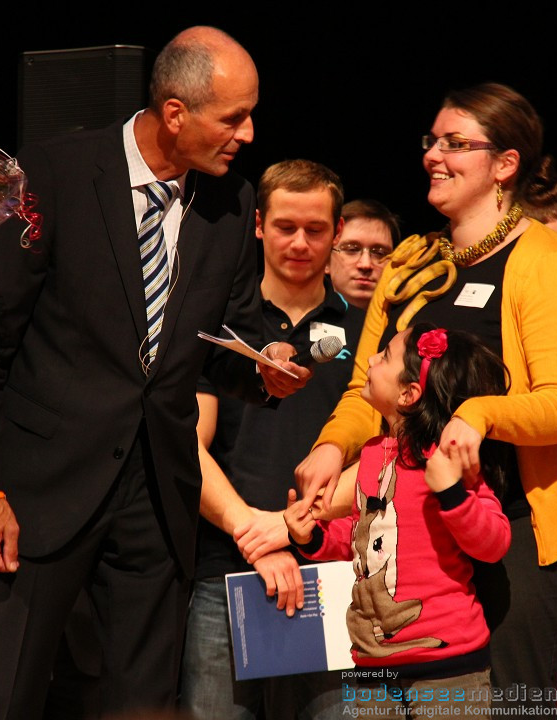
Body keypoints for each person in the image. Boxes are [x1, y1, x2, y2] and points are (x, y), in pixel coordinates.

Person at [0, 27, 307, 719]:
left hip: (157, 496)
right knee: (9, 695)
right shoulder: (54, 174)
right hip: (43, 491)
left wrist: (265, 370)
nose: (248, 133)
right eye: (232, 117)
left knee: (141, 702)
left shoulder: (232, 205)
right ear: (175, 113)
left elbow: (226, 341)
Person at [294, 82, 557, 711]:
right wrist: (332, 447)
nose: (435, 154)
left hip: (517, 528)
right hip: (414, 535)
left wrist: (478, 411)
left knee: (512, 705)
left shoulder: (550, 263)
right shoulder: (411, 262)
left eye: (456, 143)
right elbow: (364, 386)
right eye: (432, 140)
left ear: (505, 164)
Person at [180, 159, 361, 719]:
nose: (301, 243)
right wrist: (256, 534)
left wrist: (294, 529)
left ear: (336, 233)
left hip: (338, 570)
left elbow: (383, 452)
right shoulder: (219, 326)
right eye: (286, 227)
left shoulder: (363, 329)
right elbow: (188, 442)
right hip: (225, 568)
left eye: (317, 229)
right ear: (258, 224)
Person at [285, 325, 511, 715]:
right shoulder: (373, 453)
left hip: (447, 669)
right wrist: (313, 538)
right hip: (372, 666)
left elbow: (493, 543)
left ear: (409, 395)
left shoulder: (446, 455)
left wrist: (452, 492)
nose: (370, 360)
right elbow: (367, 535)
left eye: (384, 356)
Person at [326, 199, 399, 309]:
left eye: (379, 253)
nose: (365, 264)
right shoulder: (303, 322)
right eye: (351, 250)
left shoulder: (410, 323)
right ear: (325, 261)